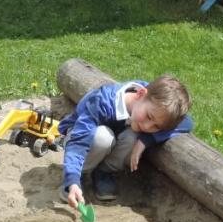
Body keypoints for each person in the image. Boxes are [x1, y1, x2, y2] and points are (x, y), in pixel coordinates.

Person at [59, 74, 193, 208]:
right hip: (78, 136)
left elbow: (187, 123)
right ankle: (78, 176)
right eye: (148, 116)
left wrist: (146, 140)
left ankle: (103, 172)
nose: (147, 126)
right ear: (140, 94)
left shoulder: (155, 100)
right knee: (103, 137)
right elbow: (79, 141)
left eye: (156, 126)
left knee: (132, 137)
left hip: (116, 136)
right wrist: (72, 180)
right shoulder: (102, 102)